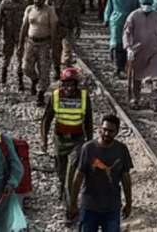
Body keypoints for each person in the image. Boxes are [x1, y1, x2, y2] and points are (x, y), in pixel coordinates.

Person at [41, 68, 94, 213]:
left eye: (71, 85)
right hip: (60, 139)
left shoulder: (84, 97)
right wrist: (44, 140)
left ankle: (70, 208)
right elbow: (47, 119)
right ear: (61, 85)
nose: (68, 88)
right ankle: (63, 187)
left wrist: (90, 142)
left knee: (71, 170)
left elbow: (88, 121)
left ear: (76, 85)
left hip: (77, 140)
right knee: (61, 169)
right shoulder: (56, 96)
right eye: (65, 85)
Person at [69, 114, 133, 232]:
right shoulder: (88, 148)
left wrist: (129, 203)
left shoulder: (121, 150)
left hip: (112, 207)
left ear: (117, 132)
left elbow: (126, 179)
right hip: (89, 207)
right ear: (99, 129)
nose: (107, 134)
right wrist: (73, 203)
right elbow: (78, 177)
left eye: (111, 131)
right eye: (104, 130)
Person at [123, 0, 157, 111]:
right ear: (140, 4)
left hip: (155, 50)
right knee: (135, 78)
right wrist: (128, 48)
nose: (147, 7)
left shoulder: (156, 15)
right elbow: (126, 33)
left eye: (149, 5)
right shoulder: (133, 15)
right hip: (138, 51)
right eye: (145, 5)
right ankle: (134, 99)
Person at [19, 0, 58, 106]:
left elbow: (53, 29)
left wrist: (53, 46)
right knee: (26, 67)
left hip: (44, 44)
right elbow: (24, 27)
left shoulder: (49, 11)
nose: (37, 1)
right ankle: (34, 79)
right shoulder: (29, 9)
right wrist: (20, 44)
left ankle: (40, 94)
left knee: (44, 70)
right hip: (30, 43)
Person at [104, 0, 140, 79]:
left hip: (129, 20)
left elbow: (138, 7)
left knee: (128, 44)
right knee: (116, 43)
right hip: (117, 21)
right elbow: (109, 6)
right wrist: (106, 18)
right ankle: (117, 67)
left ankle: (125, 66)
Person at [0, 0, 25, 88]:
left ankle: (20, 79)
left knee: (20, 57)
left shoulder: (24, 4)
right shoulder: (4, 3)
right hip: (8, 34)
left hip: (20, 35)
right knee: (6, 56)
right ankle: (3, 76)